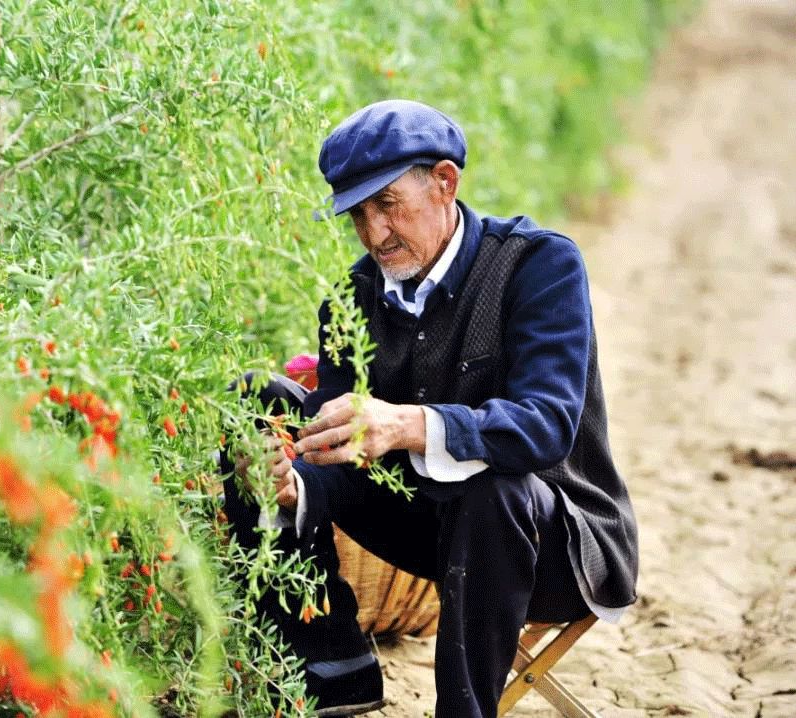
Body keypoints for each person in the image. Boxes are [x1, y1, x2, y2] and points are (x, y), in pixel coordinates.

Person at [220, 99, 639, 718]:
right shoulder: (351, 300)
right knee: (257, 402)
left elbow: (547, 426)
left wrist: (407, 425)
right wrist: (294, 485)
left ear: (444, 182)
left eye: (387, 205)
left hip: (558, 545)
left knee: (489, 486)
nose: (373, 234)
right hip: (428, 533)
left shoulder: (538, 266)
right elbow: (333, 449)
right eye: (357, 215)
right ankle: (333, 664)